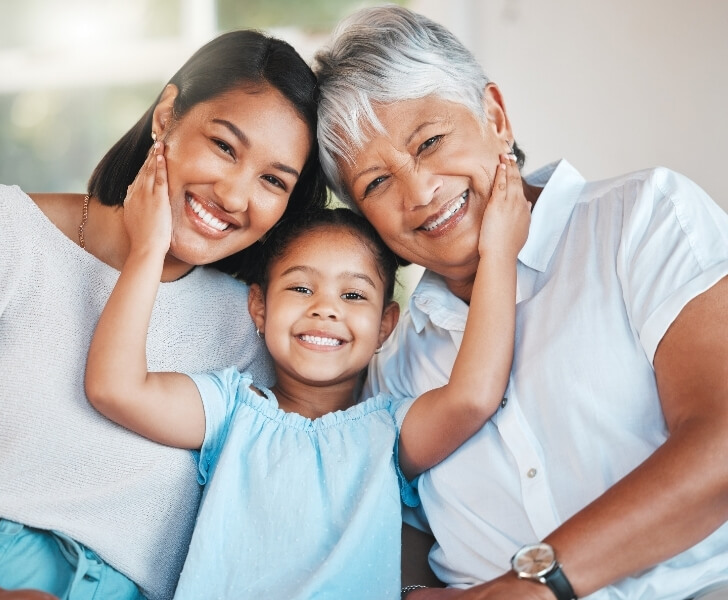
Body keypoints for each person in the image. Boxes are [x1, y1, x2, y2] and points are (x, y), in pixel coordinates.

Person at [313, 5, 728, 600]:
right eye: (376, 183)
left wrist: (532, 586)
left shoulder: (643, 218)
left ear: (495, 117)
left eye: (430, 142)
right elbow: (389, 523)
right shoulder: (390, 363)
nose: (420, 191)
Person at [0, 29, 327, 600]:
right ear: (167, 114)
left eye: (273, 180)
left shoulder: (253, 328)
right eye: (224, 146)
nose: (236, 196)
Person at [83, 138, 529, 598]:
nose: (325, 309)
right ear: (259, 308)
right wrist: (147, 251)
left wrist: (499, 254)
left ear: (384, 326)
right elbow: (115, 389)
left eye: (353, 295)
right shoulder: (231, 410)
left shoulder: (389, 432)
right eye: (300, 288)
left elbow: (475, 395)